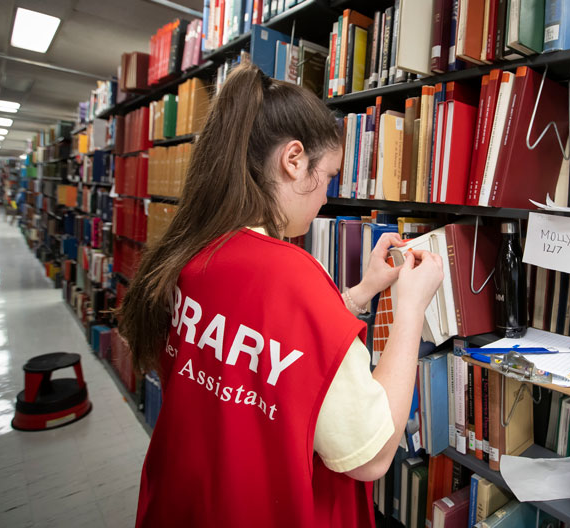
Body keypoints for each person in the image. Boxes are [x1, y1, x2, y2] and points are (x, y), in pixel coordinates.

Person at [117, 64, 443, 527]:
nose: (327, 198)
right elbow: (370, 456)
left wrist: (360, 294)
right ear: (294, 160)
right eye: (328, 175)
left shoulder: (195, 249)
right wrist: (409, 309)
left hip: (187, 504)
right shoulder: (292, 275)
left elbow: (268, 351)